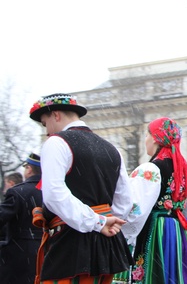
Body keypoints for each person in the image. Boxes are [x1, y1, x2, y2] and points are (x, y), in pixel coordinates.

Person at [29, 93, 133, 283]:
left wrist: (97, 222)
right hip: (107, 244)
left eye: (45, 124)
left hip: (71, 242)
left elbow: (54, 195)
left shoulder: (56, 142)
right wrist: (104, 222)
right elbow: (124, 201)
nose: (46, 132)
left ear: (56, 115)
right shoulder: (112, 148)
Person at [115, 117, 187, 283]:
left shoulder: (150, 169)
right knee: (175, 274)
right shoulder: (184, 170)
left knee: (155, 274)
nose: (146, 140)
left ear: (155, 138)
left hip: (155, 229)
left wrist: (124, 236)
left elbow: (137, 209)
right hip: (177, 229)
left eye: (147, 135)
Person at [0, 153, 43, 284]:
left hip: (19, 255)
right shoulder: (53, 192)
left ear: (29, 169)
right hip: (48, 252)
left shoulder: (18, 192)